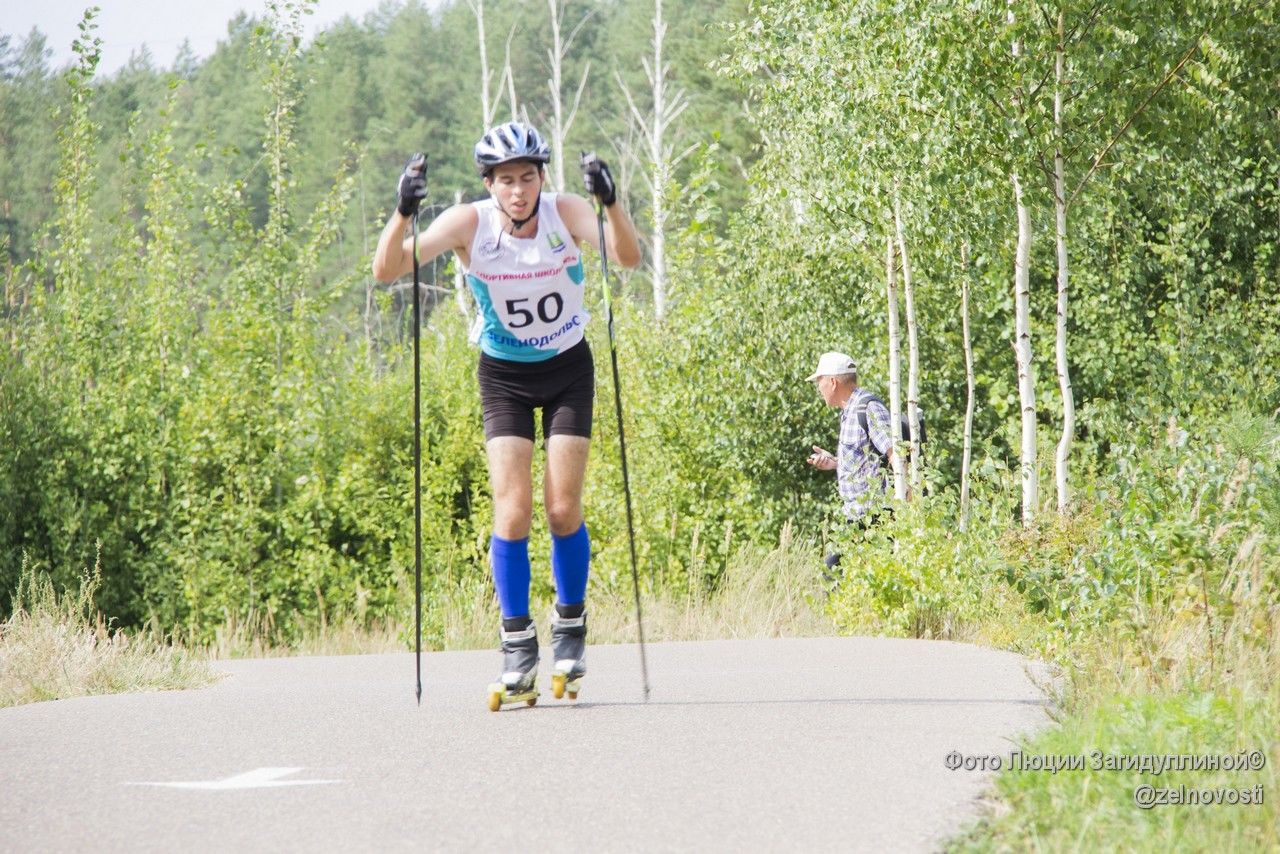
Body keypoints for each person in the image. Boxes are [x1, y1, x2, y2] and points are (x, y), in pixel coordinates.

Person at [371, 121, 642, 707]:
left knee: (563, 507)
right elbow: (387, 270)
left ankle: (570, 629)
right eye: (505, 181)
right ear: (488, 185)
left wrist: (610, 204)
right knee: (514, 509)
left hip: (569, 367)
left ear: (542, 178)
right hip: (505, 377)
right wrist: (401, 213)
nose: (518, 191)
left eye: (527, 177)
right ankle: (518, 643)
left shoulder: (565, 212)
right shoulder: (468, 224)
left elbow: (628, 259)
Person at [804, 351, 896, 574]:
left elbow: (896, 454)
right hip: (856, 517)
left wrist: (906, 506)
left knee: (834, 572)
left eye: (820, 381)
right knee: (839, 575)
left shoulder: (868, 408)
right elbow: (865, 459)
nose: (819, 388)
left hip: (876, 517)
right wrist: (835, 463)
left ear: (833, 382)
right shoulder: (848, 412)